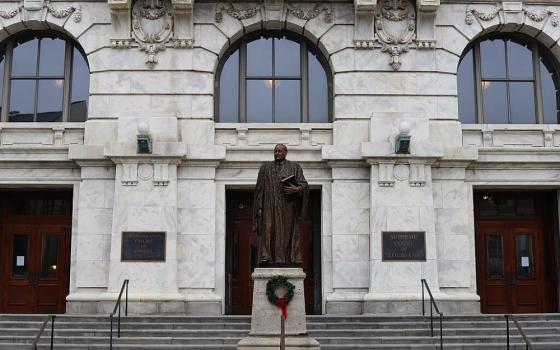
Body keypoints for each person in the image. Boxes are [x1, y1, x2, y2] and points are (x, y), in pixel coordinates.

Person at [253, 144, 309, 266]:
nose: (277, 153)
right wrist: (259, 208)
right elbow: (259, 189)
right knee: (268, 230)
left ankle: (288, 259)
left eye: (279, 151)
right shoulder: (265, 168)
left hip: (287, 207)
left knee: (287, 233)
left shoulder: (295, 167)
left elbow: (304, 184)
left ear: (285, 152)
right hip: (269, 205)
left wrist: (297, 189)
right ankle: (266, 257)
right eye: (275, 151)